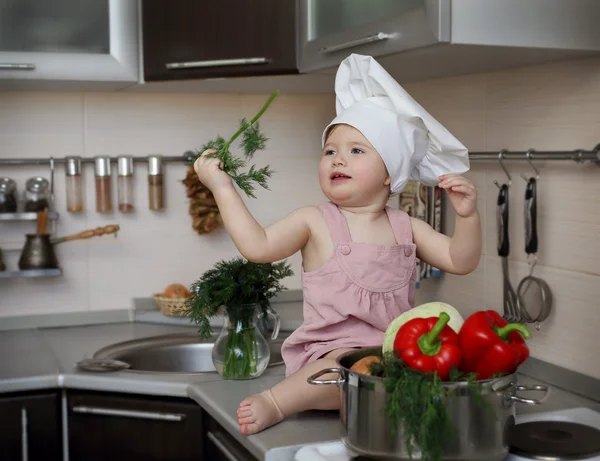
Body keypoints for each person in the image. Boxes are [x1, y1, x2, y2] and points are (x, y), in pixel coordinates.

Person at [193, 54, 482, 435]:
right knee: (341, 374)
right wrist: (222, 188)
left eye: (356, 150)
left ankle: (374, 408)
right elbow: (258, 246)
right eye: (330, 150)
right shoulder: (315, 221)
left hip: (392, 356)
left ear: (389, 175)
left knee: (421, 376)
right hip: (329, 355)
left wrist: (467, 218)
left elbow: (459, 260)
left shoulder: (406, 226)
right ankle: (279, 401)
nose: (337, 158)